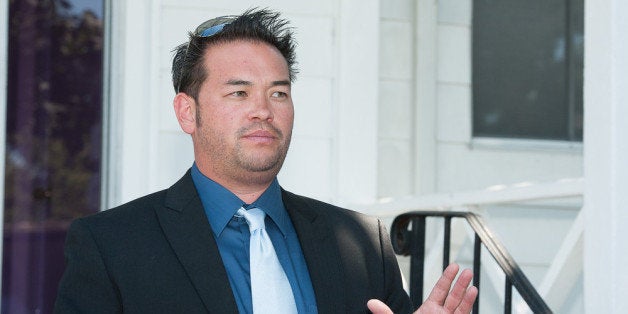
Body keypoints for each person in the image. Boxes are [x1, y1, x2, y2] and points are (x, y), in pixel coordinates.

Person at [54, 8, 477, 314]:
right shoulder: (111, 246)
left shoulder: (365, 244)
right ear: (187, 112)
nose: (263, 109)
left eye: (278, 92)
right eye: (239, 93)